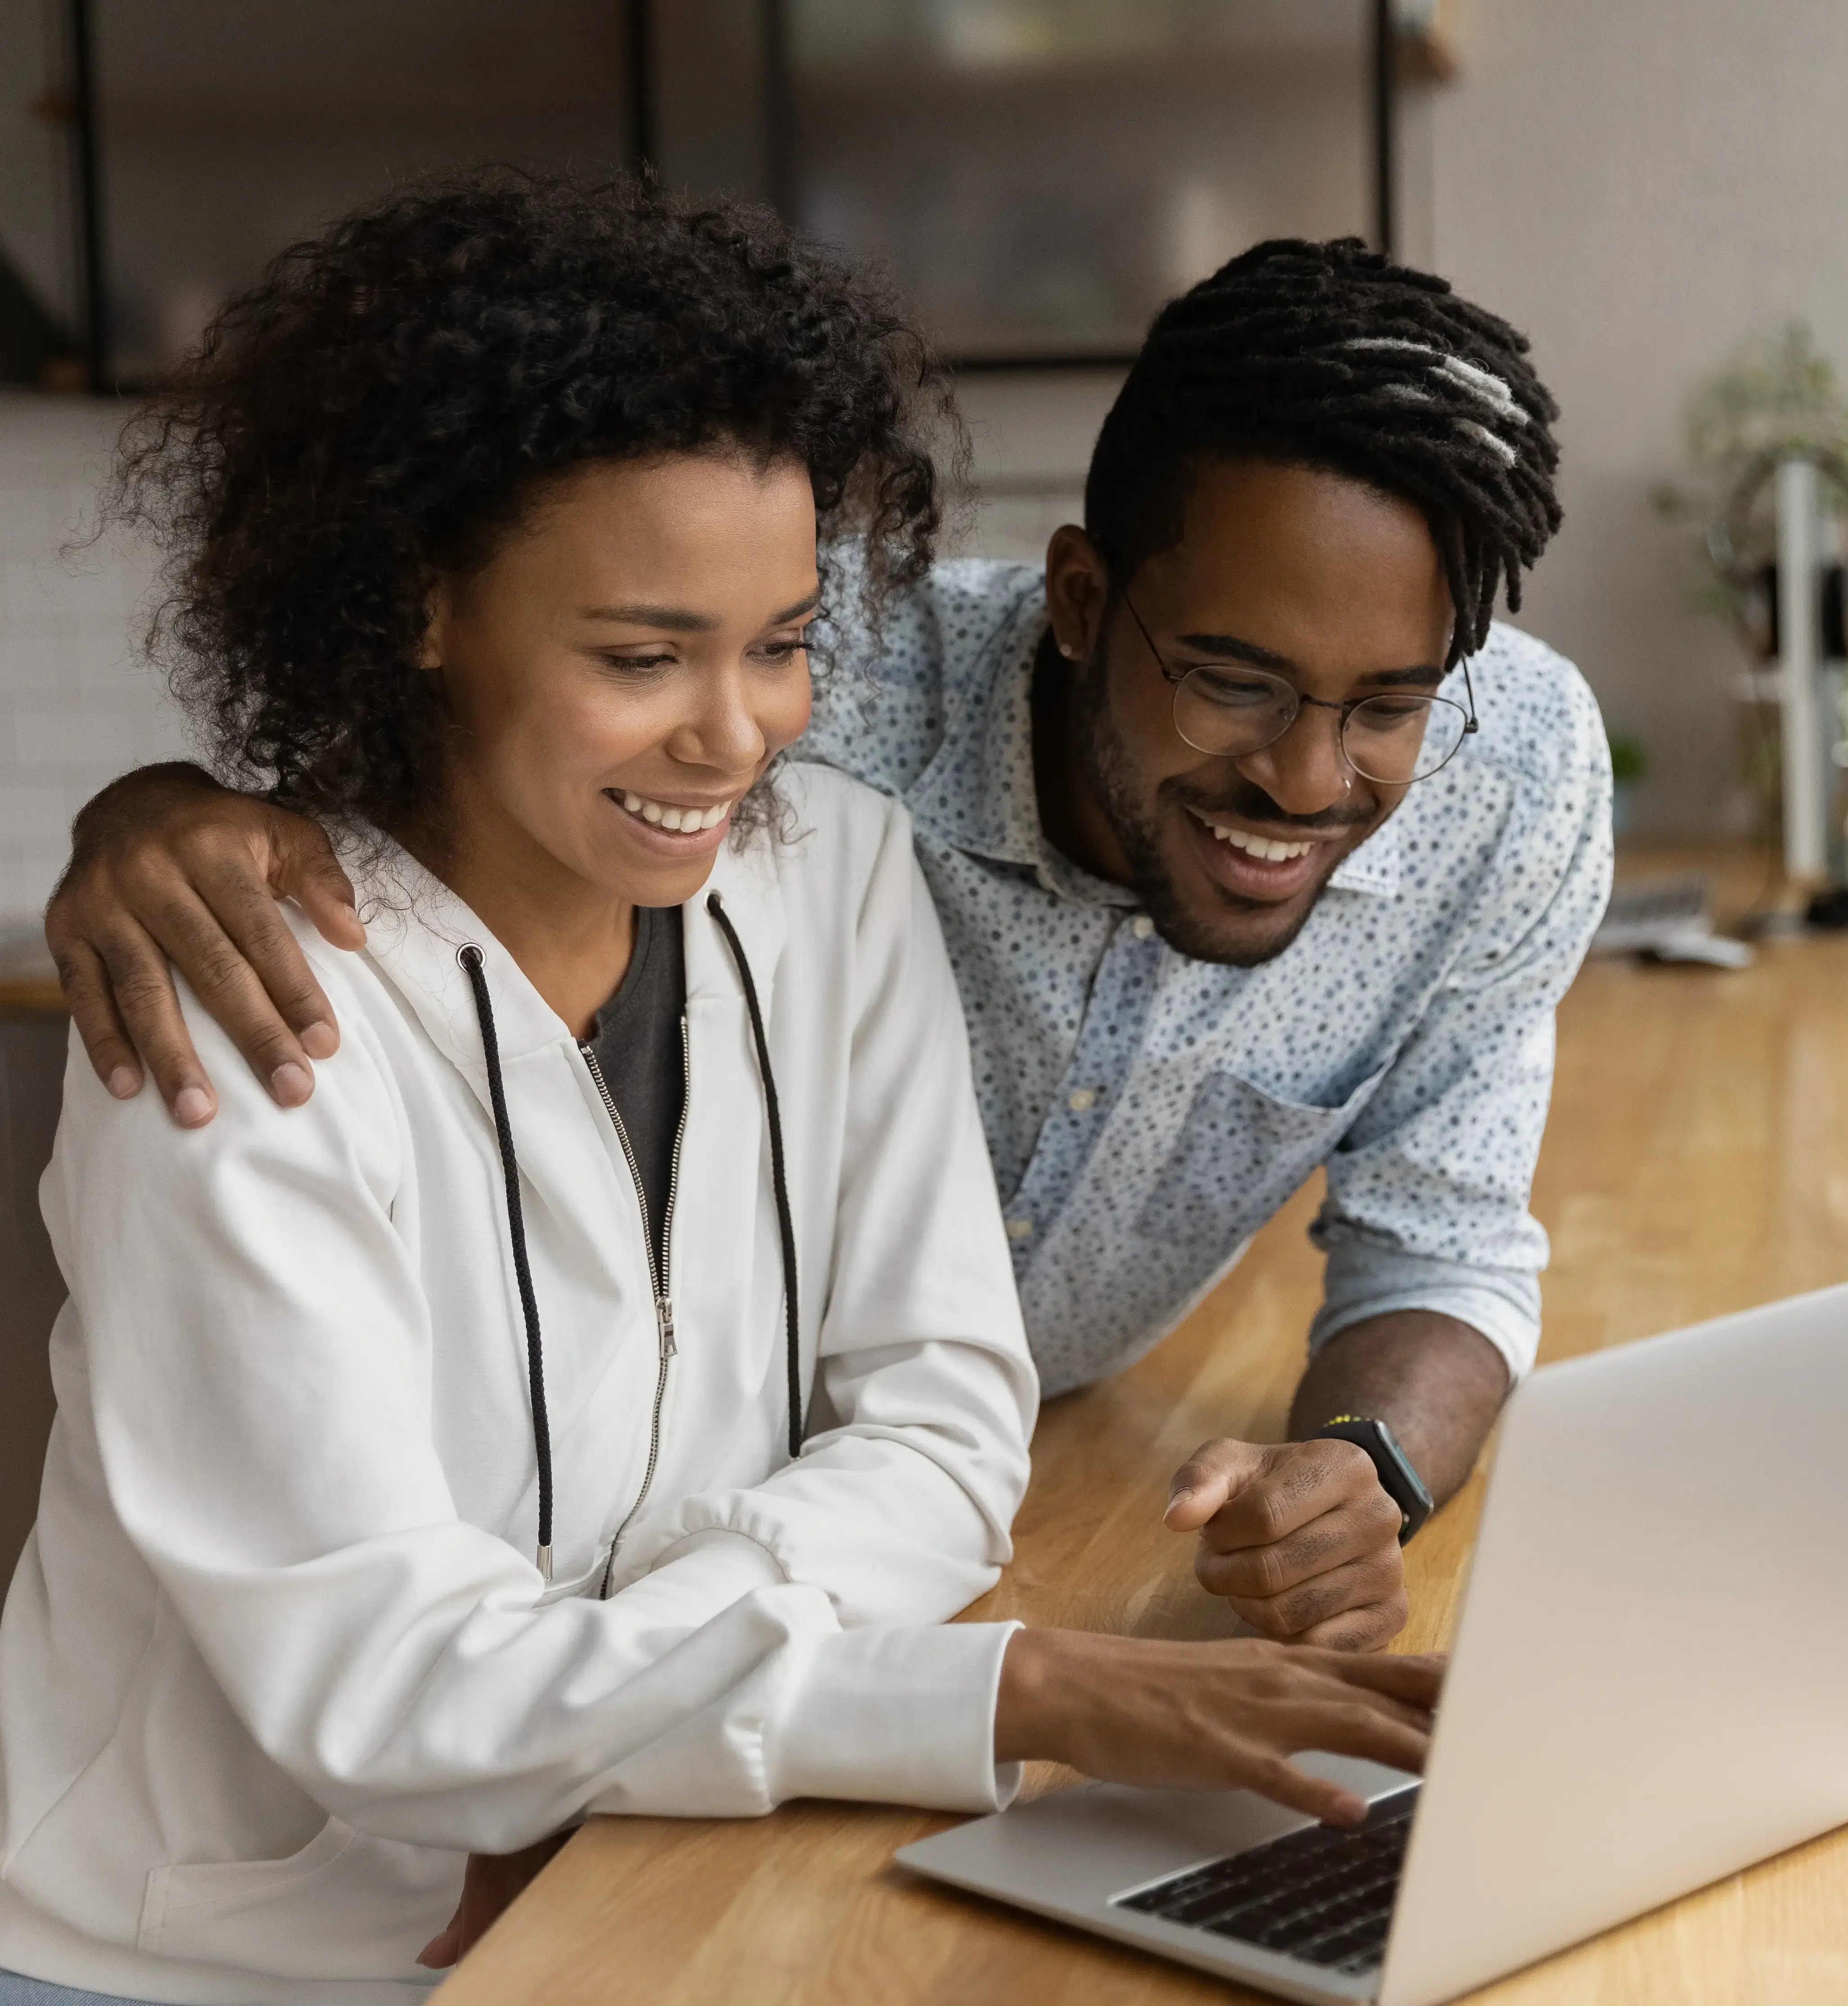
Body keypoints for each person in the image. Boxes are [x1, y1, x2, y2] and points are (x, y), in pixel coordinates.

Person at [0, 174, 1441, 2006]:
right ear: (420, 609)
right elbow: (385, 1689)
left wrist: (596, 1721)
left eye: (780, 643)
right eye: (641, 656)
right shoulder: (237, 1009)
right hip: (204, 1964)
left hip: (627, 1875)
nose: (736, 733)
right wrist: (1014, 1689)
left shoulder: (828, 871)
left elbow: (944, 1416)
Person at [45, 240, 1613, 1657]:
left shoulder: (1510, 775)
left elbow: (1446, 1237)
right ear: (1079, 597)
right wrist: (157, 803)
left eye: (1389, 706)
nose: (1309, 777)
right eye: (1234, 684)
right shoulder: (827, 695)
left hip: (876, 1542)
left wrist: (1360, 1466)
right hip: (662, 1546)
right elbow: (456, 713)